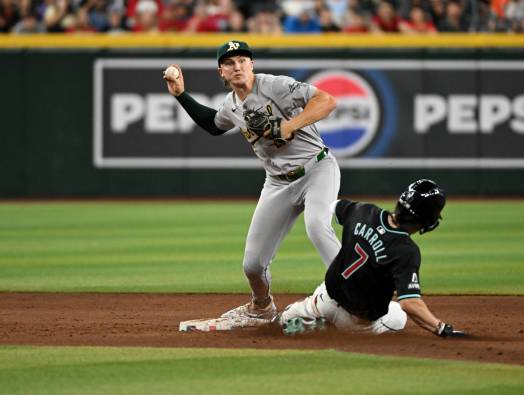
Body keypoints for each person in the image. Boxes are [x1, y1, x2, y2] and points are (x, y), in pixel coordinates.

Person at [164, 40, 341, 328]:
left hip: (317, 168)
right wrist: (181, 95)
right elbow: (213, 124)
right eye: (230, 63)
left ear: (252, 65)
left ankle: (356, 292)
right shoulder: (231, 105)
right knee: (253, 265)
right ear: (221, 72)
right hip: (277, 183)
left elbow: (327, 100)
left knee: (317, 226)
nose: (237, 66)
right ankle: (261, 307)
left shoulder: (275, 86)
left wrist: (290, 124)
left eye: (243, 60)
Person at [278, 179, 466, 337]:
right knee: (398, 315)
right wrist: (442, 328)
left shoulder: (363, 211)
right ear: (428, 221)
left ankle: (305, 320)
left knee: (282, 324)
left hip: (324, 300)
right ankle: (325, 328)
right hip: (355, 323)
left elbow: (333, 206)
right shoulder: (406, 251)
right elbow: (410, 303)